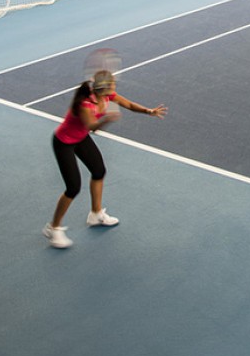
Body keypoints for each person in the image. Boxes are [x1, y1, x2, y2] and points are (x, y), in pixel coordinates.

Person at [43, 68, 167, 249]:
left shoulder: (107, 96)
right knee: (73, 187)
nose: (115, 85)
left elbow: (129, 105)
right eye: (113, 83)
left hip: (80, 138)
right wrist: (107, 118)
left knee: (99, 171)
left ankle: (95, 214)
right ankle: (53, 228)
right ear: (104, 87)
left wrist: (149, 111)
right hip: (64, 143)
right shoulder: (85, 104)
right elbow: (92, 126)